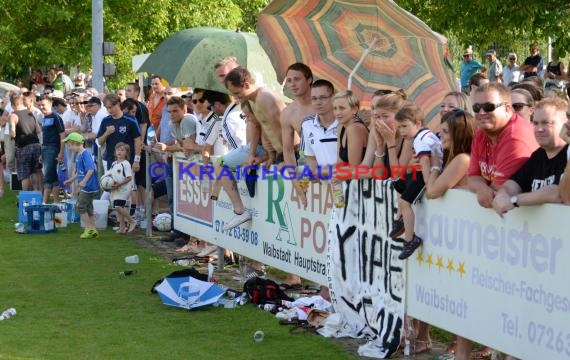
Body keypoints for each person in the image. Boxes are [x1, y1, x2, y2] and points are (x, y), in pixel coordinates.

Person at [222, 67, 286, 231]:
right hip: (279, 154)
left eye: (237, 93)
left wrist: (285, 156)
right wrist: (269, 156)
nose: (235, 98)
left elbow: (284, 129)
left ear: (247, 83)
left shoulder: (265, 97)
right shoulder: (253, 100)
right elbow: (264, 128)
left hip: (289, 153)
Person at [467, 83, 538, 208]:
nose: (482, 112)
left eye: (489, 107)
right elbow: (472, 177)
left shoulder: (515, 136)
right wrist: (481, 188)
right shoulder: (481, 132)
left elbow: (497, 192)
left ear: (507, 108)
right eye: (476, 108)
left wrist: (482, 189)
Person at [492, 98, 567, 215]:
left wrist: (515, 201)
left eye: (547, 123)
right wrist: (503, 195)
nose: (539, 129)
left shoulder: (568, 154)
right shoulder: (538, 156)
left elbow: (558, 193)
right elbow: (512, 184)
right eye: (536, 123)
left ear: (565, 124)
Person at [392, 104, 442, 260]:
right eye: (399, 127)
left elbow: (425, 161)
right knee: (398, 183)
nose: (402, 131)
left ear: (418, 124)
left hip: (427, 175)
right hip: (428, 172)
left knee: (406, 203)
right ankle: (400, 218)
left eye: (405, 126)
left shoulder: (419, 140)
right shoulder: (427, 134)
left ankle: (409, 239)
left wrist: (428, 183)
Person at [62, 132, 99, 239]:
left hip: (88, 187)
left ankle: (89, 229)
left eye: (69, 145)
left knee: (80, 207)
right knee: (88, 208)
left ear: (74, 143)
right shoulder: (79, 155)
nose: (69, 147)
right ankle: (93, 229)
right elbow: (79, 172)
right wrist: (71, 180)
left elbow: (91, 169)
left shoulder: (85, 154)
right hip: (86, 186)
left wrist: (84, 182)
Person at [9, 93, 43, 191]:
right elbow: (38, 130)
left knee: (24, 173)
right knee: (35, 171)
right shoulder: (30, 113)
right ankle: (37, 194)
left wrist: (12, 137)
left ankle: (25, 196)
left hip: (23, 147)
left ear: (12, 105)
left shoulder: (13, 115)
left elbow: (12, 132)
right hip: (36, 145)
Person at [37, 95, 65, 203]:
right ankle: (56, 202)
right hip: (45, 149)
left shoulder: (56, 117)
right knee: (52, 176)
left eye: (43, 105)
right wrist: (41, 153)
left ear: (50, 104)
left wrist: (61, 152)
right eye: (39, 105)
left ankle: (44, 202)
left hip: (53, 149)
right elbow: (45, 136)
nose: (41, 107)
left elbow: (62, 135)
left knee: (48, 176)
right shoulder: (44, 118)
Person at [106, 142, 137, 233]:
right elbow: (110, 176)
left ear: (126, 153)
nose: (119, 152)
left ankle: (132, 221)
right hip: (115, 189)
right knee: (119, 208)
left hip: (124, 189)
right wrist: (107, 185)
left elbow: (129, 178)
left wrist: (119, 184)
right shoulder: (114, 164)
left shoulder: (126, 164)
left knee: (118, 206)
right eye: (118, 150)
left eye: (122, 150)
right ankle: (122, 228)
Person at [334, 90, 368, 165]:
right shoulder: (341, 127)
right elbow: (340, 163)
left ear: (354, 109)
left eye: (342, 108)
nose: (337, 113)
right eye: (335, 108)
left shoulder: (355, 129)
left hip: (361, 175)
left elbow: (353, 167)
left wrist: (322, 172)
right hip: (347, 174)